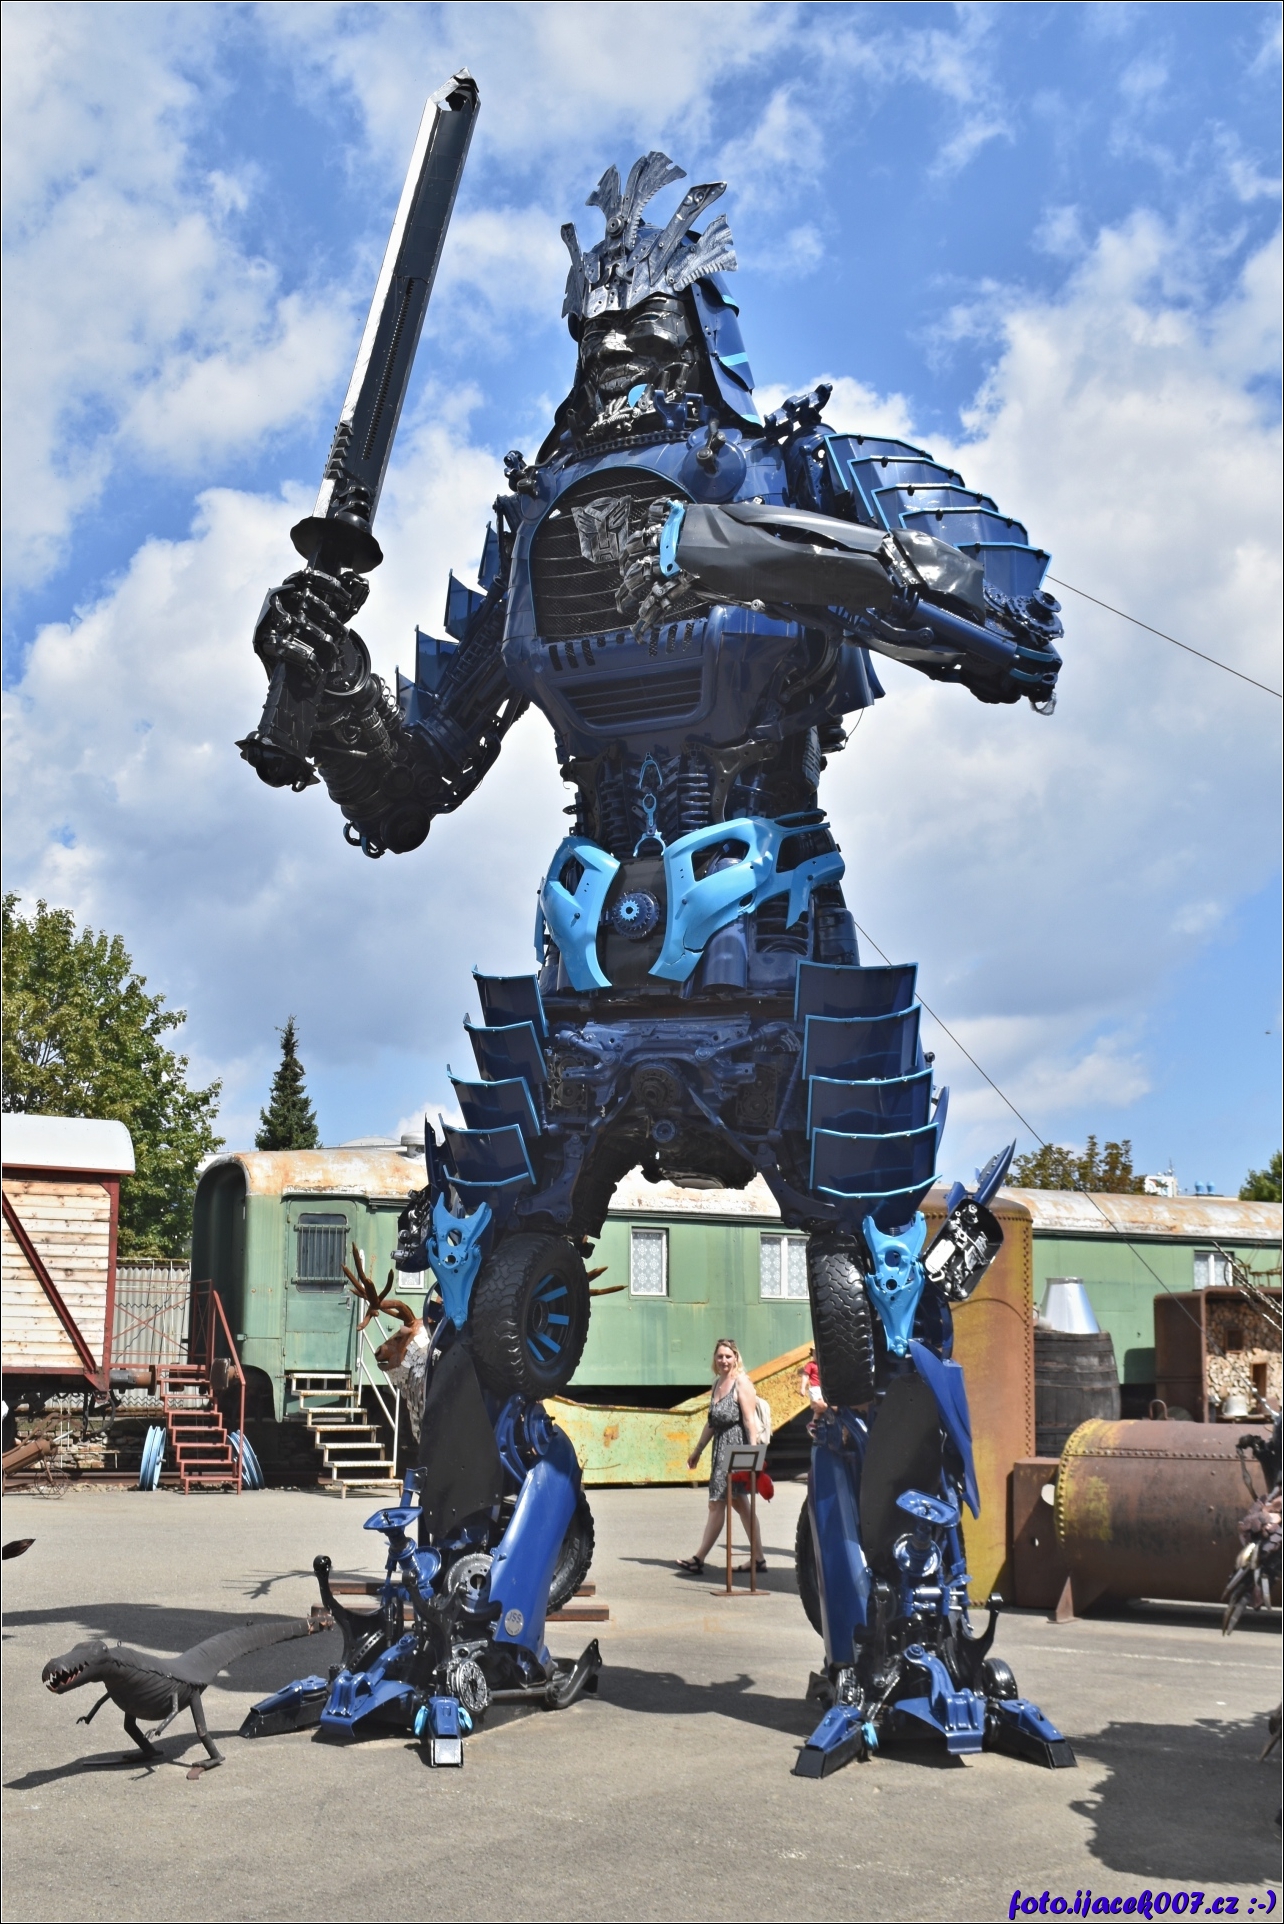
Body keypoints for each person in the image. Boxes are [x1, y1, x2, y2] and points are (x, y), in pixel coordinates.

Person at [678, 1338, 765, 1574]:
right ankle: (758, 1558)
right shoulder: (717, 1383)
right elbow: (712, 1422)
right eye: (720, 1356)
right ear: (715, 1359)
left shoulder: (741, 1383)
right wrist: (697, 1450)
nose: (724, 1360)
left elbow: (749, 1420)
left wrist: (753, 1454)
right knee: (740, 1504)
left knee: (716, 1503)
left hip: (736, 1451)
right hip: (720, 1451)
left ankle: (698, 1558)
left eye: (728, 1356)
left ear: (736, 1358)